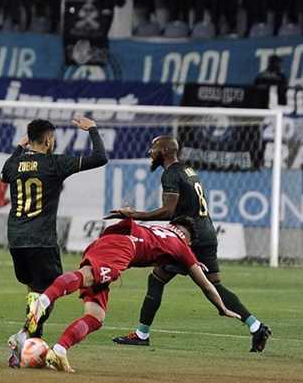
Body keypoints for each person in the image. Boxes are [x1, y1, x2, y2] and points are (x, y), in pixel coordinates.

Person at [109, 136, 271, 352]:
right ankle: (256, 326)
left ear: (165, 151)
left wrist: (132, 216)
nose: (150, 152)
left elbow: (168, 210)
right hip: (206, 233)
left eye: (154, 148)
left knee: (157, 279)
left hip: (188, 237)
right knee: (214, 285)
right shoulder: (188, 170)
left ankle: (141, 334)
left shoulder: (171, 174)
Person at [25, 217, 240, 373]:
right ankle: (43, 300)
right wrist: (222, 308)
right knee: (88, 276)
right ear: (188, 239)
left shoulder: (158, 230)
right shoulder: (182, 246)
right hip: (123, 248)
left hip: (107, 243)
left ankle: (60, 350)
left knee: (96, 316)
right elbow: (206, 285)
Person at [2, 116, 108, 368]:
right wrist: (92, 129)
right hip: (42, 240)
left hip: (17, 238)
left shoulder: (15, 164)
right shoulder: (54, 164)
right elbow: (100, 157)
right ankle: (24, 335)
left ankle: (32, 344)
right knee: (49, 294)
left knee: (33, 292)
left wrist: (20, 147)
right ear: (49, 141)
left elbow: (4, 174)